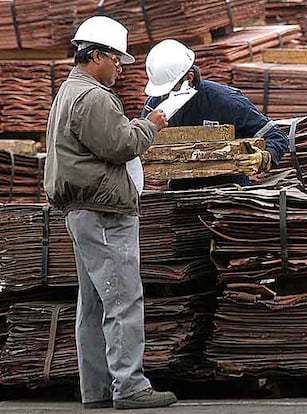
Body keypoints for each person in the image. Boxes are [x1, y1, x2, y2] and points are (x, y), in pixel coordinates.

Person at [44, 16, 177, 410]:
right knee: (122, 298)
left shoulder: (68, 92)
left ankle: (98, 389)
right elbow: (121, 144)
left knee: (95, 303)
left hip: (84, 211)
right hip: (104, 214)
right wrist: (149, 125)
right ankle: (130, 386)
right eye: (116, 59)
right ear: (96, 56)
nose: (120, 67)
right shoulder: (94, 97)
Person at [142, 38, 288, 190]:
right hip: (180, 194)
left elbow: (277, 136)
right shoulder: (155, 105)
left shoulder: (225, 101)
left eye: (170, 89)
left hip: (229, 194)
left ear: (189, 78)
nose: (164, 96)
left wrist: (264, 157)